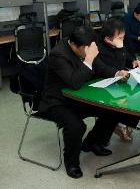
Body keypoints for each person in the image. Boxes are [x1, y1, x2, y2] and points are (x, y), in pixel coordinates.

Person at [39, 26, 129, 179]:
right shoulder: (58, 55)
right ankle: (71, 162)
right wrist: (88, 59)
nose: (89, 52)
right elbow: (74, 82)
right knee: (76, 125)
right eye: (85, 50)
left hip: (79, 96)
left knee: (113, 108)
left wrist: (116, 73)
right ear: (73, 45)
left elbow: (100, 66)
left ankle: (93, 143)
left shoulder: (86, 44)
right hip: (57, 101)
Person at [97, 18, 140, 142]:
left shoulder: (117, 43)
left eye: (123, 37)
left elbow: (126, 55)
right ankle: (120, 125)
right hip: (103, 83)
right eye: (119, 38)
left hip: (118, 81)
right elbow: (114, 66)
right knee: (127, 98)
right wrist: (119, 49)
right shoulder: (98, 49)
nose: (122, 40)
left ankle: (125, 124)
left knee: (137, 94)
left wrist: (134, 60)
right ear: (107, 38)